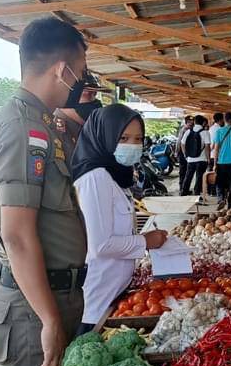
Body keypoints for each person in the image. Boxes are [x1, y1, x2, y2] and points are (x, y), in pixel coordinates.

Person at [0, 17, 89, 366]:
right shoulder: (25, 129)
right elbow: (19, 236)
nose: (82, 81)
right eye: (81, 70)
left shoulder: (42, 124)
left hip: (47, 298)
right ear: (62, 68)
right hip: (30, 310)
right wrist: (47, 318)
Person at [71, 104, 168, 330]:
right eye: (123, 138)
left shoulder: (114, 174)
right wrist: (146, 241)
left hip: (113, 293)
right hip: (96, 302)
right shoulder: (95, 178)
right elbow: (101, 245)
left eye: (138, 139)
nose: (132, 145)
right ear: (104, 137)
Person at [179, 115, 210, 196]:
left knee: (188, 176)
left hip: (190, 159)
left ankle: (184, 192)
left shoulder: (188, 131)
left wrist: (185, 154)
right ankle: (196, 194)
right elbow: (207, 147)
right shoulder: (205, 132)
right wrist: (208, 159)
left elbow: (182, 144)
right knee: (199, 178)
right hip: (202, 159)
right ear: (203, 122)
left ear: (194, 122)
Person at [207, 112, 223, 196]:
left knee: (211, 174)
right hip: (218, 155)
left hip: (211, 154)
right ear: (220, 120)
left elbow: (210, 144)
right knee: (217, 175)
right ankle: (215, 192)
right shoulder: (219, 129)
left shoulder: (211, 128)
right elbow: (214, 144)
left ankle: (210, 191)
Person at [176, 115, 193, 188]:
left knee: (186, 171)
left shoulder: (189, 130)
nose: (192, 123)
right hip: (183, 153)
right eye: (190, 122)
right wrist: (176, 152)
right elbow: (179, 142)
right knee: (183, 171)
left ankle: (184, 187)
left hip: (187, 153)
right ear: (187, 122)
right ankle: (182, 187)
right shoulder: (184, 130)